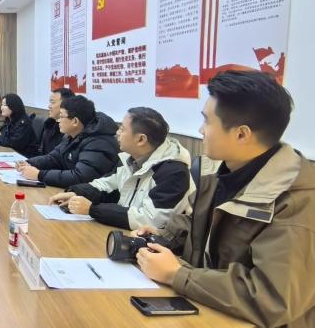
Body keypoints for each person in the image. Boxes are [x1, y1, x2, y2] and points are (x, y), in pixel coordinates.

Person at [131, 71, 315, 327]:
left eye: (207, 121)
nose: (200, 130)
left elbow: (273, 300)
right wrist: (163, 237)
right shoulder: (221, 170)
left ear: (242, 134)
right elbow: (201, 228)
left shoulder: (298, 202)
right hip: (208, 310)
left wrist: (178, 275)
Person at [47, 107, 193, 230]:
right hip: (124, 233)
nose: (117, 132)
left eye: (122, 129)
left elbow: (149, 219)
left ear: (141, 139)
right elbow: (106, 184)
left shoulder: (174, 172)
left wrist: (92, 209)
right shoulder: (132, 158)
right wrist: (76, 193)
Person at [17, 95, 119, 187]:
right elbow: (53, 158)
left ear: (75, 121)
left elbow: (80, 177)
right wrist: (29, 163)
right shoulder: (73, 135)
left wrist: (39, 175)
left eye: (61, 116)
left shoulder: (99, 142)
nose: (58, 120)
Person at [0, 93, 39, 157]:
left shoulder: (23, 123)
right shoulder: (9, 120)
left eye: (4, 105)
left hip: (25, 157)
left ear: (13, 106)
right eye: (2, 105)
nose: (1, 108)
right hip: (12, 153)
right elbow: (4, 138)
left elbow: (13, 144)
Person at [39, 88, 75, 155]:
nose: (49, 106)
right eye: (50, 102)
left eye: (52, 102)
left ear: (65, 105)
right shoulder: (48, 124)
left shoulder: (71, 132)